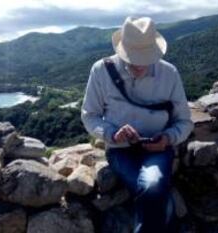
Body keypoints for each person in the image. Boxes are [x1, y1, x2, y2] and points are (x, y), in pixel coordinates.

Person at [81, 16, 194, 233]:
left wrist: (168, 138)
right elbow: (89, 115)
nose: (140, 66)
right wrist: (112, 134)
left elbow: (184, 121)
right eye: (133, 59)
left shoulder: (169, 73)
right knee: (161, 199)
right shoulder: (101, 70)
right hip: (119, 150)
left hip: (158, 149)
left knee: (152, 188)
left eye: (145, 59)